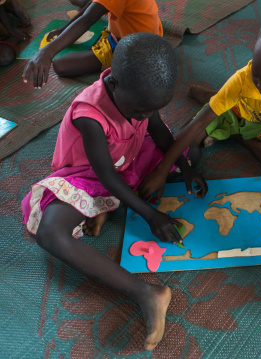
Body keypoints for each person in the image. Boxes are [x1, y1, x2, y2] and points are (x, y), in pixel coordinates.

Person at [21, 33, 207, 350]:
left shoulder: (142, 96)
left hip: (129, 157)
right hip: (91, 174)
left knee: (190, 152)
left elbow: (159, 132)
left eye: (154, 108)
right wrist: (150, 215)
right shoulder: (89, 114)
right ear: (116, 84)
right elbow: (106, 175)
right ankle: (145, 292)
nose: (147, 115)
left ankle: (104, 208)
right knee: (50, 233)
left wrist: (186, 171)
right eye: (142, 109)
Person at [147, 17, 261, 196]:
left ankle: (238, 135)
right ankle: (215, 101)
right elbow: (197, 126)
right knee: (186, 149)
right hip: (234, 114)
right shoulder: (241, 80)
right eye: (256, 75)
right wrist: (162, 171)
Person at [22, 0, 163, 88]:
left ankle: (114, 63)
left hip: (136, 50)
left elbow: (86, 19)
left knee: (60, 65)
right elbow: (91, 8)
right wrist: (63, 29)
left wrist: (46, 52)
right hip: (136, 35)